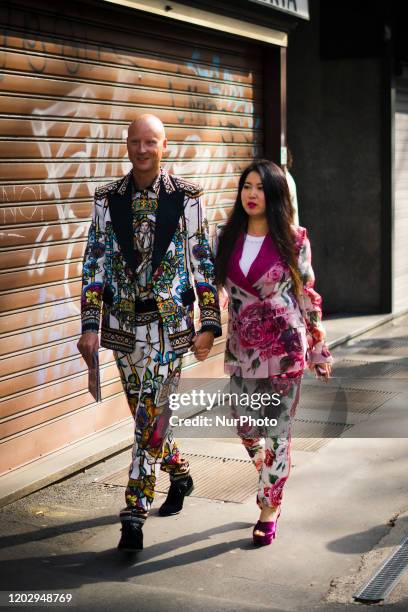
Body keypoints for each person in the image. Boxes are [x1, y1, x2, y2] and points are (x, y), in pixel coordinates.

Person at [77, 114, 221, 552]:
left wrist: (210, 323)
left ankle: (134, 512)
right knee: (151, 421)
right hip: (121, 329)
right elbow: (94, 262)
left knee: (148, 420)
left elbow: (202, 260)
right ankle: (180, 473)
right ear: (126, 145)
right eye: (135, 142)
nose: (142, 149)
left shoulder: (189, 197)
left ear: (165, 146)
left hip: (170, 328)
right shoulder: (106, 199)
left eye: (151, 142)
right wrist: (88, 324)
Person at [214, 159, 332, 547]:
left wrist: (319, 345)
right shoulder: (224, 238)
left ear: (276, 194)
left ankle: (269, 508)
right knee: (246, 426)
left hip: (285, 349)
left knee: (278, 435)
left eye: (261, 187)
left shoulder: (294, 239)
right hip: (242, 347)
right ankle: (269, 471)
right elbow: (211, 289)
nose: (252, 194)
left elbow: (308, 294)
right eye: (247, 186)